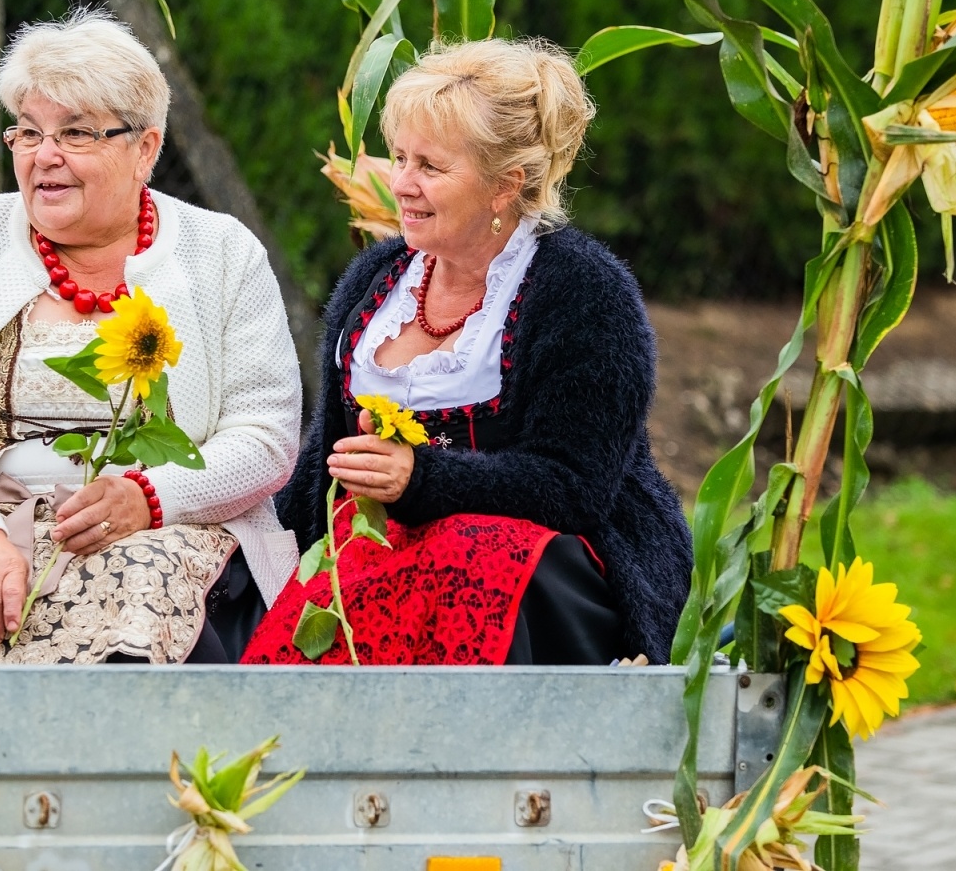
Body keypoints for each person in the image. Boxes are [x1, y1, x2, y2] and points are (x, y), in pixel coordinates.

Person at [0, 8, 301, 664]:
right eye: (28, 133)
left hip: (164, 528)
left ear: (145, 147)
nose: (45, 157)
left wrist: (150, 497)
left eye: (76, 134)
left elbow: (265, 436)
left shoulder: (222, 254)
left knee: (139, 587)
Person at [243, 38, 691, 667]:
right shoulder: (378, 279)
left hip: (547, 569)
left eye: (429, 166)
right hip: (374, 558)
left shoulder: (587, 294)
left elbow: (575, 488)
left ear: (503, 187)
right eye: (399, 157)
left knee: (463, 550)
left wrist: (421, 478)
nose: (399, 184)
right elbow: (325, 457)